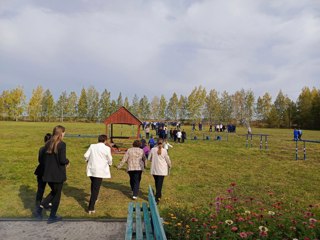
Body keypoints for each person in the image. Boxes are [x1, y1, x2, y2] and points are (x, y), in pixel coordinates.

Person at [41, 125, 69, 223]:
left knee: (54, 191)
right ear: (61, 133)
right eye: (64, 132)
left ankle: (44, 203)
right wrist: (67, 161)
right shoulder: (62, 144)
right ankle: (52, 217)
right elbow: (62, 160)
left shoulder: (47, 143)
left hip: (48, 174)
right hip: (57, 175)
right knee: (57, 196)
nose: (64, 134)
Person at [84, 134, 113, 214]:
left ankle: (95, 198)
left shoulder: (92, 146)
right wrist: (110, 164)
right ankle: (91, 207)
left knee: (94, 185)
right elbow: (109, 158)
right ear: (105, 140)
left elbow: (86, 155)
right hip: (99, 171)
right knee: (95, 189)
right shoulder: (107, 148)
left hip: (91, 169)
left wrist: (87, 160)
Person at [34, 133, 51, 219]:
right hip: (48, 172)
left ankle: (40, 207)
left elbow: (40, 160)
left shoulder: (41, 149)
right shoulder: (51, 149)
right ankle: (43, 205)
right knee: (54, 190)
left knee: (40, 191)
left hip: (41, 171)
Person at [148, 139, 172, 204]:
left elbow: (149, 158)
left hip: (155, 169)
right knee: (159, 184)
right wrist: (170, 165)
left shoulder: (153, 149)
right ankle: (157, 197)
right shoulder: (164, 151)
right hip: (162, 170)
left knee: (157, 183)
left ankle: (158, 195)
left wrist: (152, 159)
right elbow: (167, 159)